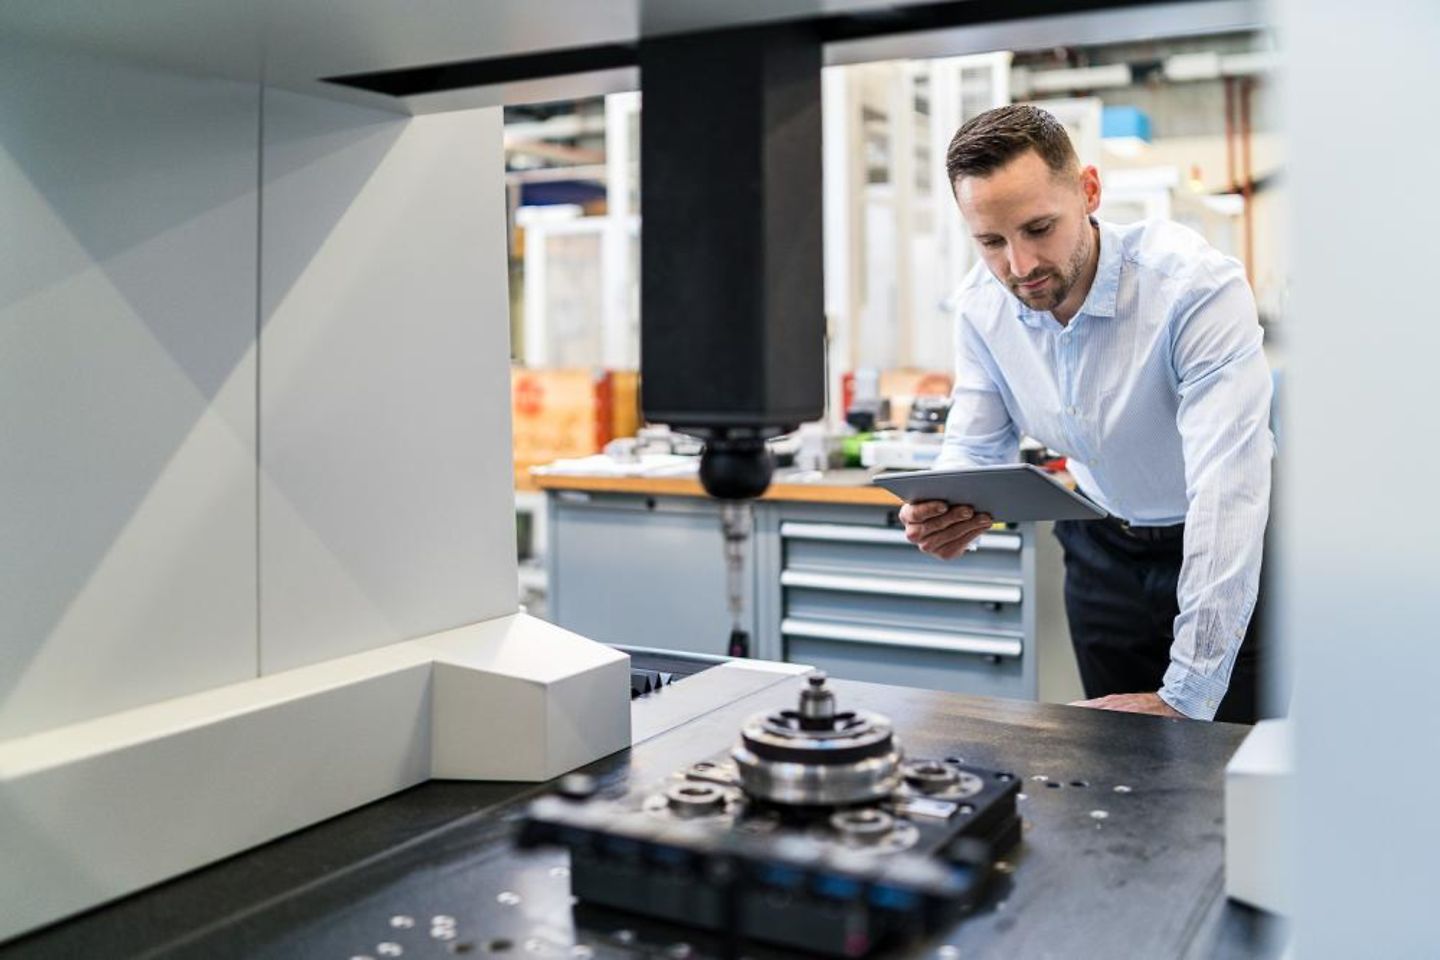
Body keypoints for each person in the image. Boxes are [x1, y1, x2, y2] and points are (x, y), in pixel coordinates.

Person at [900, 104, 1274, 723]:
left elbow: (1227, 494)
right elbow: (976, 443)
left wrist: (1188, 694)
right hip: (1101, 550)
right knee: (1118, 770)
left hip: (1224, 545)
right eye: (991, 241)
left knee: (1233, 774)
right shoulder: (980, 306)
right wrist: (946, 507)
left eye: (1039, 228)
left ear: (1089, 191)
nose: (1019, 267)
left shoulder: (1193, 288)